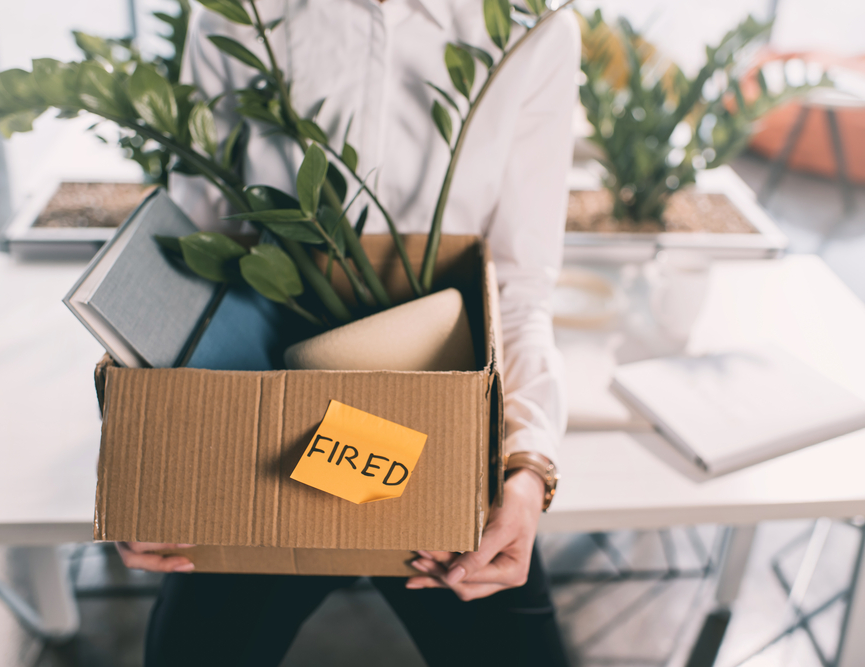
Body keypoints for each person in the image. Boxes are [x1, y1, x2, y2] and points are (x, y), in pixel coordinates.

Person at [117, 1, 579, 664]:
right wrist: (151, 464)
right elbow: (194, 261)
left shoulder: (529, 26)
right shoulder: (236, 11)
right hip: (259, 437)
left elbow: (519, 285)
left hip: (440, 447)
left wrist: (527, 467)